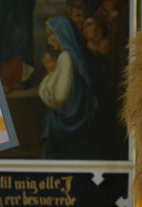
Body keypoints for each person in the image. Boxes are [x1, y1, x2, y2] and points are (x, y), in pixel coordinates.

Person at [38, 16, 101, 160]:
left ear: (61, 34)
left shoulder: (65, 57)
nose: (49, 40)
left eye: (51, 35)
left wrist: (50, 76)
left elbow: (59, 98)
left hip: (68, 126)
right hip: (79, 123)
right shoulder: (77, 57)